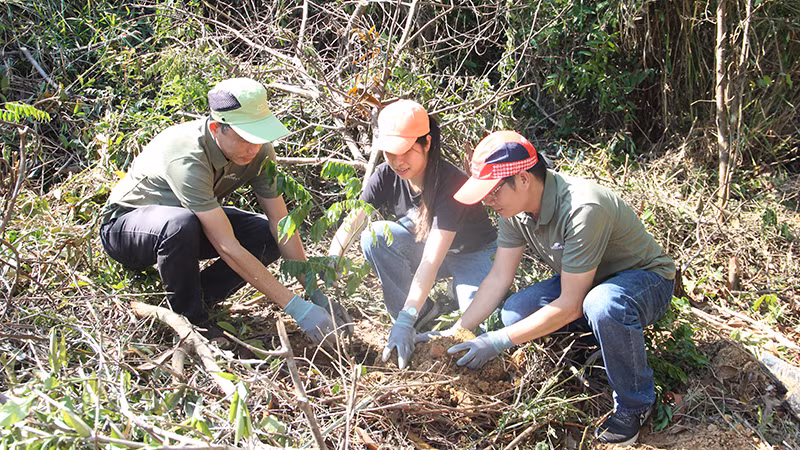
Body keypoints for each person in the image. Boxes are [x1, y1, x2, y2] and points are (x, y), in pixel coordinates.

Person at [421, 130, 675, 445]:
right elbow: (499, 277)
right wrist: (459, 330)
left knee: (602, 304)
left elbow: (571, 303)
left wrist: (497, 342)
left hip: (644, 281)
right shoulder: (513, 211)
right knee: (514, 314)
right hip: (587, 279)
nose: (488, 201)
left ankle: (636, 403)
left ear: (524, 179)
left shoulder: (583, 207)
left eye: (493, 192)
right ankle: (598, 349)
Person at [99, 78, 350, 347]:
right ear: (217, 128)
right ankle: (191, 320)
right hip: (128, 229)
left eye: (258, 136)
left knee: (265, 233)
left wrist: (313, 291)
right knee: (179, 224)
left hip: (191, 222)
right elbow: (226, 245)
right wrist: (296, 308)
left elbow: (280, 222)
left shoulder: (259, 151)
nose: (253, 148)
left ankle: (199, 296)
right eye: (244, 138)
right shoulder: (186, 155)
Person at [326, 100, 497, 369]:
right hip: (426, 245)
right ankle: (422, 311)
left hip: (473, 253)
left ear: (427, 143)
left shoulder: (450, 183)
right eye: (389, 153)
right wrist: (330, 262)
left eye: (405, 151)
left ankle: (413, 313)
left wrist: (406, 318)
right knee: (375, 235)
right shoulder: (386, 175)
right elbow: (354, 220)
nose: (397, 162)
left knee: (481, 322)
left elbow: (431, 259)